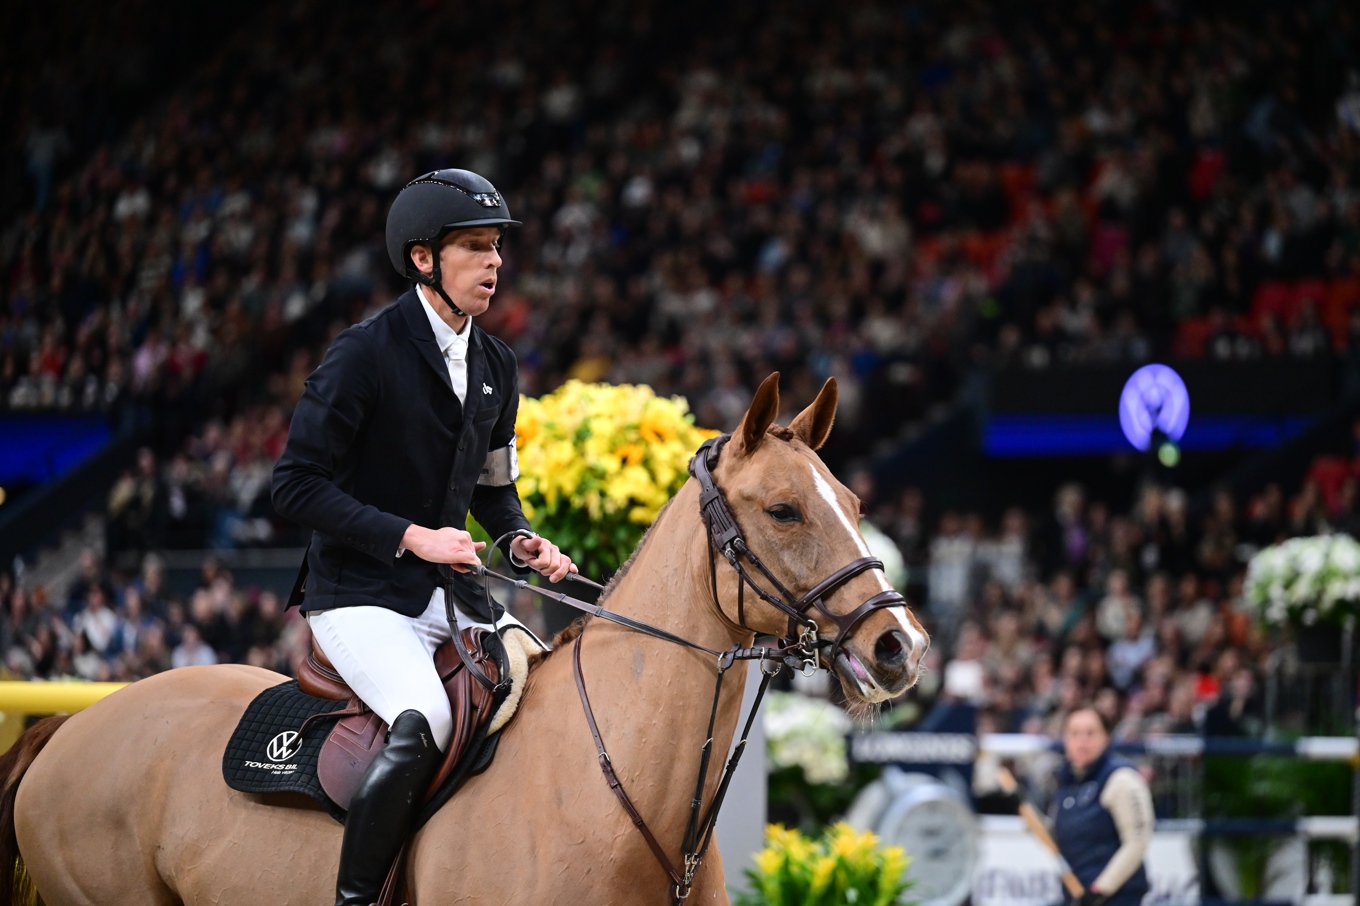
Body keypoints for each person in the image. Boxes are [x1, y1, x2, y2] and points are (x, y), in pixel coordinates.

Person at [271, 168, 576, 906]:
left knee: (552, 698)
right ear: (422, 259)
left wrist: (522, 541)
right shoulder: (363, 354)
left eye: (497, 247)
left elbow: (494, 492)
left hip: (453, 593)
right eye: (474, 247)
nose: (494, 262)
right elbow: (294, 486)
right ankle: (356, 900)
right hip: (358, 595)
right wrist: (412, 536)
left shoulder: (497, 366)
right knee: (426, 718)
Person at [1051, 706, 1155, 906]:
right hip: (1077, 895)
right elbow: (1057, 834)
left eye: (1090, 733)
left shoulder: (1121, 779)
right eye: (1074, 733)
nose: (1082, 741)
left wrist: (1101, 889)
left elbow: (1137, 841)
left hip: (1115, 897)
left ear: (1106, 736)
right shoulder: (1066, 781)